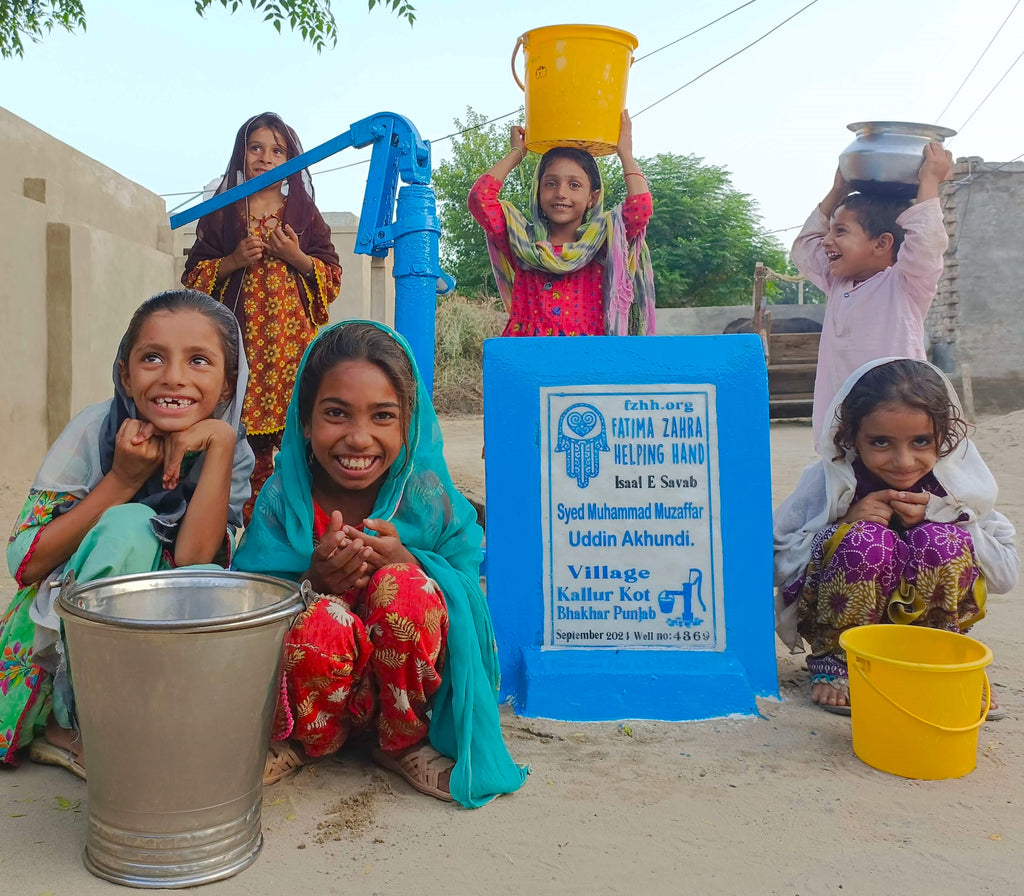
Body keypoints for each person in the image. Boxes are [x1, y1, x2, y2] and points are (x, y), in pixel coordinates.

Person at [234, 321, 528, 807]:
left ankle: (402, 742)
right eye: (336, 413)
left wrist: (409, 560)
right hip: (315, 702)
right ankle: (309, 742)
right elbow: (248, 599)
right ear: (305, 423)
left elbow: (466, 584)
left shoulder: (425, 497)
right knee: (322, 620)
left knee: (406, 589)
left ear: (408, 423)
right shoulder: (283, 499)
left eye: (382, 416)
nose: (358, 437)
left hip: (401, 698)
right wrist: (312, 580)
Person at [0, 289, 254, 774]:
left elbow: (195, 562)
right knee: (130, 525)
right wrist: (123, 479)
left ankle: (139, 714)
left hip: (171, 615)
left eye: (199, 360)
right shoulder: (95, 430)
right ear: (125, 372)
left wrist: (219, 446)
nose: (173, 377)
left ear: (227, 385)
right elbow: (26, 562)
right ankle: (69, 721)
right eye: (152, 357)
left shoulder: (231, 447)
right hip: (69, 624)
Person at [774, 358, 1019, 714]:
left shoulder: (960, 487)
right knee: (865, 541)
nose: (903, 461)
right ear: (852, 437)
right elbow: (774, 562)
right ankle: (841, 664)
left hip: (933, 631)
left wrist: (944, 516)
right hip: (840, 626)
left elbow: (1005, 575)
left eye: (921, 441)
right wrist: (843, 523)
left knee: (941, 542)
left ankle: (940, 661)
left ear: (943, 436)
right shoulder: (831, 481)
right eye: (881, 442)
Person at [183, 112, 343, 520]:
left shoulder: (305, 214)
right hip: (242, 351)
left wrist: (297, 258)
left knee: (298, 447)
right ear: (242, 154)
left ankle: (299, 530)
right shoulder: (223, 211)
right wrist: (232, 260)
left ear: (291, 159)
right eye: (256, 148)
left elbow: (332, 275)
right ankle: (246, 533)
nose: (266, 158)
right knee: (244, 455)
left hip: (290, 354)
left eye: (278, 150)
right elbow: (193, 278)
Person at [791, 143, 953, 444]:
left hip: (893, 430)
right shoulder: (838, 284)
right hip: (839, 429)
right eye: (830, 231)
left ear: (881, 244)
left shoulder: (905, 283)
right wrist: (837, 190)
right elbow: (804, 247)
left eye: (840, 232)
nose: (826, 241)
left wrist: (929, 181)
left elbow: (927, 242)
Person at [468, 110, 655, 337]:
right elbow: (480, 199)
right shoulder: (522, 243)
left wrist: (625, 153)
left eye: (574, 185)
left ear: (592, 198)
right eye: (550, 183)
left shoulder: (603, 242)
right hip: (526, 362)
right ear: (538, 192)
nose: (561, 193)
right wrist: (517, 152)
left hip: (585, 361)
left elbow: (641, 208)